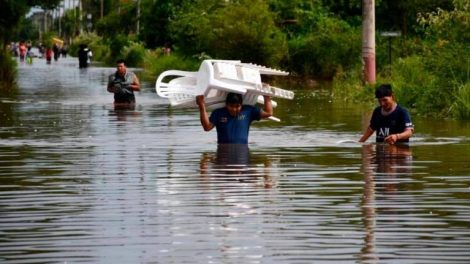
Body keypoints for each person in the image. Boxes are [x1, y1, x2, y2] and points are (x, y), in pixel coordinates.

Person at [196, 92, 273, 144]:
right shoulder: (218, 113)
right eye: (231, 106)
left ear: (241, 105)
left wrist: (266, 96)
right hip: (223, 153)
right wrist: (202, 105)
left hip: (242, 153)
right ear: (226, 105)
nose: (234, 109)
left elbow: (268, 113)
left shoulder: (248, 111)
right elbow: (207, 127)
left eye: (237, 106)